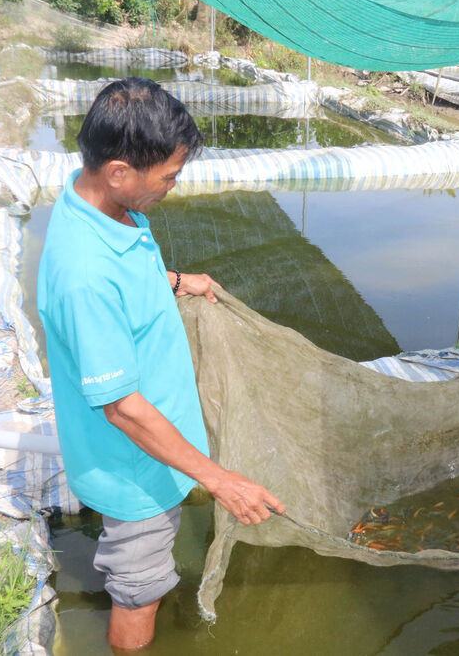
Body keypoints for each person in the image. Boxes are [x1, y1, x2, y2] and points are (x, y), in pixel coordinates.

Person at [37, 78, 285, 651]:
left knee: (145, 576)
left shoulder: (104, 206)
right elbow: (122, 408)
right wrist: (222, 480)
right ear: (120, 171)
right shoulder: (83, 275)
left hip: (158, 451)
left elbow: (126, 281)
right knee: (139, 590)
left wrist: (173, 280)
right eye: (169, 176)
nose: (174, 186)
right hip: (134, 469)